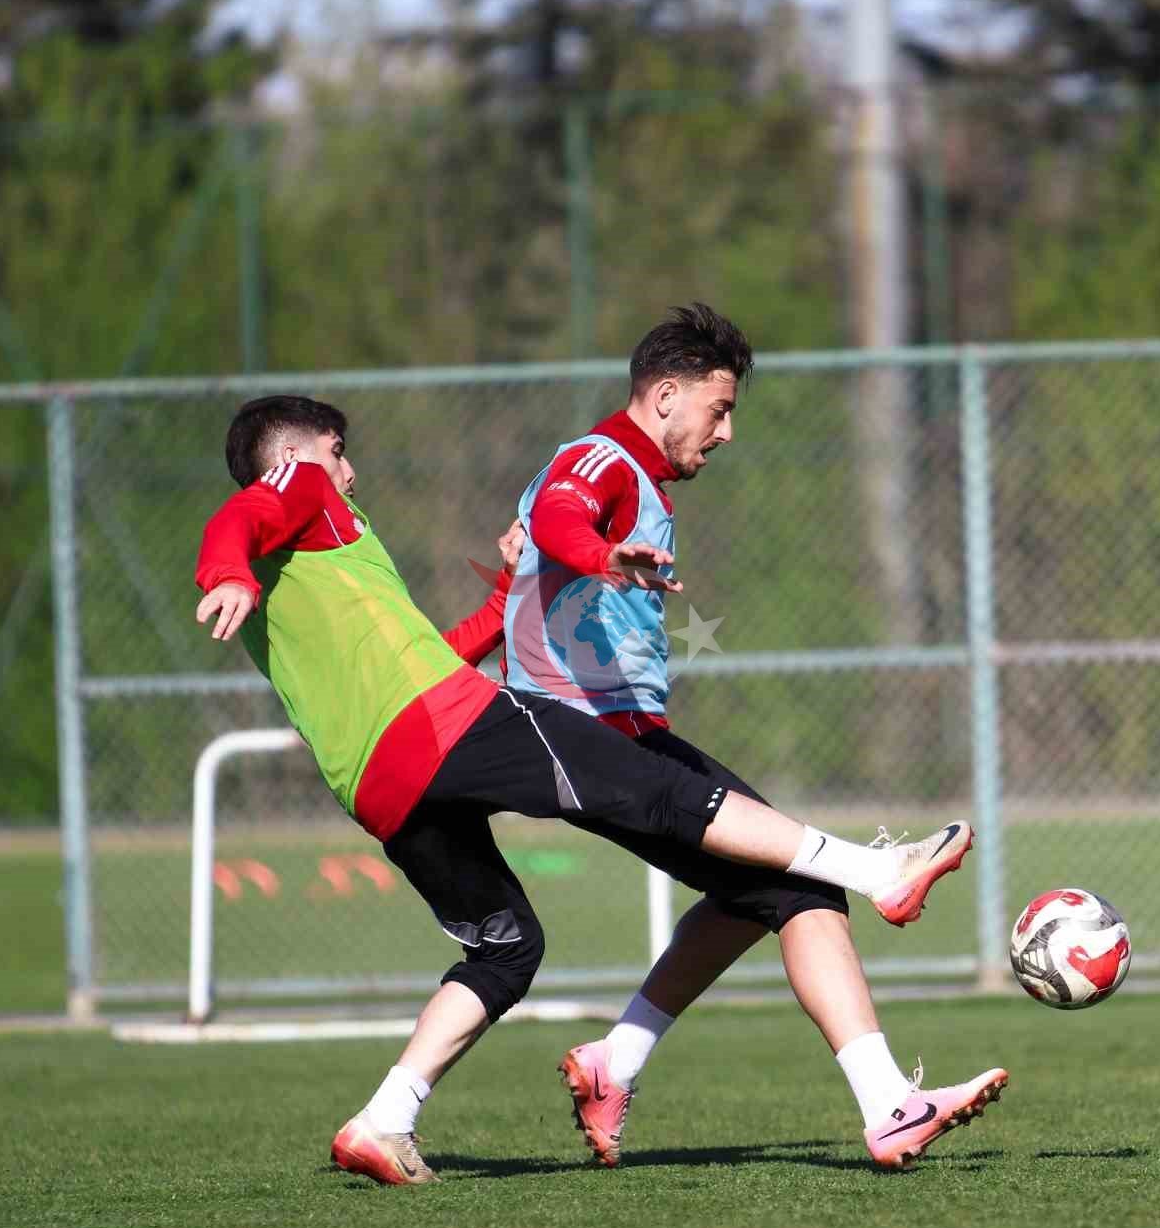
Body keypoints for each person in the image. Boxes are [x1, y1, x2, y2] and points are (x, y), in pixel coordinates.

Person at [194, 393, 1002, 1187]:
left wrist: (505, 593)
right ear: (296, 458)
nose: (348, 471)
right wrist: (225, 570)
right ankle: (878, 872)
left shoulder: (298, 570)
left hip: (379, 787)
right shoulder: (299, 490)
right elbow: (238, 519)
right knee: (662, 790)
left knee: (506, 951)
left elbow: (433, 652)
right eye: (338, 452)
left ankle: (385, 1118)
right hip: (444, 727)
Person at [502, 303, 1005, 1171]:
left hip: (615, 739)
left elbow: (522, 564)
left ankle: (616, 1061)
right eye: (720, 408)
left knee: (758, 895)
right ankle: (887, 1061)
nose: (727, 432)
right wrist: (602, 556)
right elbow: (556, 519)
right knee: (806, 891)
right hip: (595, 743)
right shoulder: (603, 457)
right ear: (665, 395)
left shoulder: (626, 476)